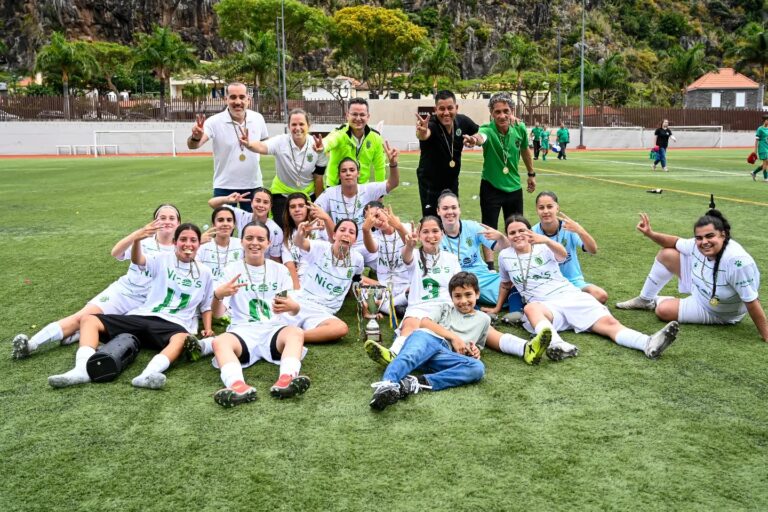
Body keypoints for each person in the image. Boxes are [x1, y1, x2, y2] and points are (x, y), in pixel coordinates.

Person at [47, 223, 215, 389]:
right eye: (183, 239)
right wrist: (137, 240)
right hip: (143, 315)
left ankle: (147, 375)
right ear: (174, 242)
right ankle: (81, 370)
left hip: (173, 324)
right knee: (89, 319)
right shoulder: (162, 259)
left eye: (193, 240)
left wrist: (207, 328)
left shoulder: (205, 272)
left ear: (199, 244)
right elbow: (138, 260)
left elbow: (206, 305)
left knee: (182, 339)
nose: (188, 244)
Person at [493, 215, 680, 361]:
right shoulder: (504, 256)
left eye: (522, 230)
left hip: (570, 295)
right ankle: (557, 345)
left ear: (529, 232)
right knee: (530, 308)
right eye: (512, 232)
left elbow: (563, 253)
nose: (518, 235)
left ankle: (647, 343)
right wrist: (496, 308)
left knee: (610, 325)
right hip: (545, 307)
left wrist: (546, 240)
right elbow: (505, 284)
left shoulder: (543, 247)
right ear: (507, 236)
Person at [12, 205, 180, 359]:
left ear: (179, 223)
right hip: (125, 292)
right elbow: (116, 252)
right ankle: (32, 344)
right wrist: (137, 235)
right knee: (83, 316)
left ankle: (78, 334)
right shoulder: (144, 240)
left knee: (114, 330)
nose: (167, 221)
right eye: (162, 217)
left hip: (150, 304)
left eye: (172, 218)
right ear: (154, 220)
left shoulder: (182, 247)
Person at [615, 209, 768, 341]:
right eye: (699, 237)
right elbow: (674, 242)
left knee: (663, 311)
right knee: (667, 254)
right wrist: (650, 233)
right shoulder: (697, 244)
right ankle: (645, 299)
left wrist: (766, 334)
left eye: (710, 236)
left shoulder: (737, 261)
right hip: (701, 288)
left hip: (719, 311)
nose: (704, 242)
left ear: (723, 234)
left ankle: (656, 301)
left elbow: (752, 301)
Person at [203, 221, 310, 407]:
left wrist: (292, 306)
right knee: (219, 341)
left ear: (268, 243)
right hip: (242, 331)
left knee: (296, 332)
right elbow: (219, 314)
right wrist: (218, 295)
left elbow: (292, 310)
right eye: (249, 238)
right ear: (241, 241)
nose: (255, 243)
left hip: (273, 331)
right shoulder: (230, 271)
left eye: (261, 239)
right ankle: (237, 386)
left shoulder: (280, 270)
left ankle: (287, 379)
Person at [368, 272, 486, 411]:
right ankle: (387, 385)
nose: (463, 301)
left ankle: (414, 383)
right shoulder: (444, 308)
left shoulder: (484, 319)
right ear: (451, 297)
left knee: (477, 368)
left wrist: (475, 350)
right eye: (457, 296)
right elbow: (424, 323)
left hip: (443, 356)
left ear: (477, 294)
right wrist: (454, 337)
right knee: (409, 356)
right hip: (428, 340)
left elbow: (477, 344)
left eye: (468, 294)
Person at [375, 216, 462, 359]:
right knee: (411, 322)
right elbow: (406, 256)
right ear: (420, 236)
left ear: (443, 233)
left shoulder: (451, 258)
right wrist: (409, 245)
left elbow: (458, 286)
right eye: (425, 232)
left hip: (444, 307)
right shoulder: (414, 255)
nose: (430, 236)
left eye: (435, 231)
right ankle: (392, 353)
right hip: (419, 307)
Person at [187, 82, 269, 212]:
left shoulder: (258, 118)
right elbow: (193, 145)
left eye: (242, 97)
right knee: (223, 229)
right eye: (233, 97)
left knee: (253, 229)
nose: (238, 101)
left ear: (248, 99)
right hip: (224, 186)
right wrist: (196, 136)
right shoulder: (214, 122)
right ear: (226, 99)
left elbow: (266, 145)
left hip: (253, 185)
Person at [238, 108, 327, 221]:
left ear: (308, 125)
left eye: (301, 124)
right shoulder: (280, 141)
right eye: (293, 124)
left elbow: (318, 178)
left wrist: (318, 204)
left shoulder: (318, 146)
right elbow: (262, 146)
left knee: (309, 230)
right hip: (282, 193)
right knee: (281, 229)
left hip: (307, 194)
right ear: (289, 127)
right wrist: (249, 144)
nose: (297, 128)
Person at [314, 150, 399, 267]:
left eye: (352, 170)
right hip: (342, 244)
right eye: (344, 171)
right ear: (339, 175)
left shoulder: (367, 189)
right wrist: (318, 216)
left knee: (390, 265)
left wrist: (393, 164)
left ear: (358, 173)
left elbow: (392, 183)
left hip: (366, 245)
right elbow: (315, 208)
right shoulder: (330, 193)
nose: (348, 173)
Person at [467, 93, 536, 232]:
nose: (502, 115)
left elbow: (525, 150)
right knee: (489, 229)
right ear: (491, 113)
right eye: (497, 112)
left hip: (514, 187)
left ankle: (515, 255)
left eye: (506, 111)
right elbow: (481, 137)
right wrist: (473, 140)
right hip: (490, 186)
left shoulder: (520, 128)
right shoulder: (487, 129)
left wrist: (531, 173)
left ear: (512, 111)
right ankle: (490, 255)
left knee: (516, 228)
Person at [289, 218, 365, 343]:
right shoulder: (320, 247)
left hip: (323, 312)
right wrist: (300, 234)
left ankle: (296, 335)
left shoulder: (358, 259)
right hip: (300, 301)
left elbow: (357, 282)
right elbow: (299, 242)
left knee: (340, 328)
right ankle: (287, 332)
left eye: (351, 232)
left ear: (355, 240)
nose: (346, 233)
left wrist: (365, 309)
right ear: (334, 235)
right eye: (342, 230)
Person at [531, 191, 607, 303]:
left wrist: (580, 230)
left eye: (550, 206)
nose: (546, 211)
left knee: (600, 295)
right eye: (541, 207)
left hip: (573, 282)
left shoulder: (570, 228)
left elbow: (593, 250)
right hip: (548, 283)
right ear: (537, 210)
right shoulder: (533, 232)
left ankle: (564, 303)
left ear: (557, 208)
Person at [436, 190, 509, 306]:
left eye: (454, 207)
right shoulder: (435, 234)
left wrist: (501, 238)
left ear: (459, 209)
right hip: (453, 280)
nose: (450, 212)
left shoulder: (472, 227)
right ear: (438, 211)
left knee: (511, 283)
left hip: (481, 278)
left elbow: (505, 248)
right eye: (445, 208)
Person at [413, 90, 480, 217]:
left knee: (451, 218)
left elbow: (481, 131)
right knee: (432, 221)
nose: (446, 113)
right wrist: (421, 131)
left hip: (452, 182)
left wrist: (475, 139)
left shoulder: (463, 122)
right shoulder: (432, 125)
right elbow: (424, 134)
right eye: (441, 109)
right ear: (435, 109)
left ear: (456, 108)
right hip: (430, 184)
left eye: (450, 108)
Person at [320, 97, 387, 186]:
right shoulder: (339, 133)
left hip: (361, 188)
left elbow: (379, 167)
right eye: (354, 114)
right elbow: (330, 141)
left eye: (362, 114)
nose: (358, 118)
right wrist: (322, 145)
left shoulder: (376, 138)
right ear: (347, 115)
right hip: (335, 188)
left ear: (368, 116)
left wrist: (380, 192)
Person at [361, 201, 411, 317]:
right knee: (361, 286)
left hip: (407, 285)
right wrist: (365, 231)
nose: (377, 221)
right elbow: (372, 249)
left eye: (377, 215)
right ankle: (397, 307)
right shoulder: (374, 236)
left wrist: (398, 226)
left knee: (419, 288)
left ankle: (388, 307)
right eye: (372, 220)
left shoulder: (405, 226)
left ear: (386, 211)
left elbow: (411, 243)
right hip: (385, 287)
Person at [207, 187, 283, 262]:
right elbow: (212, 204)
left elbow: (275, 259)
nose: (261, 205)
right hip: (241, 264)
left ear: (270, 207)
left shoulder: (275, 231)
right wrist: (227, 199)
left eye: (265, 202)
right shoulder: (242, 216)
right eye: (258, 201)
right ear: (251, 203)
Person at [281, 192, 333, 289]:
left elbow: (336, 242)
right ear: (288, 211)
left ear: (308, 208)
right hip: (301, 279)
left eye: (301, 206)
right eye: (292, 207)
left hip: (323, 276)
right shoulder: (287, 236)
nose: (297, 209)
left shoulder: (319, 225)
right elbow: (290, 267)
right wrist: (297, 290)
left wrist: (326, 218)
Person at [197, 206, 241, 283]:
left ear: (234, 224)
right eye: (220, 220)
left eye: (229, 220)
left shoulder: (241, 245)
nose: (225, 223)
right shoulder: (203, 246)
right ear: (213, 224)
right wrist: (196, 242)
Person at [751, 115, 768, 181]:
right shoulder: (760, 129)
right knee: (766, 161)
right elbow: (757, 140)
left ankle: (754, 172)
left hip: (767, 147)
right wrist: (755, 150)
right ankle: (766, 178)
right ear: (764, 121)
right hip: (762, 147)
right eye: (767, 120)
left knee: (766, 163)